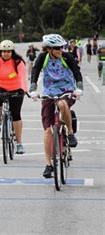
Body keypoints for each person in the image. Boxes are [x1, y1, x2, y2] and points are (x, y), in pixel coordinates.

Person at [29, 34, 83, 179]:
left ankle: (70, 133)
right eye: (58, 48)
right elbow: (35, 72)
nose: (61, 50)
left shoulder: (67, 57)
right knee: (47, 130)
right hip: (49, 92)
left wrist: (79, 88)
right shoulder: (43, 57)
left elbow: (77, 72)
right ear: (49, 49)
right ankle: (48, 165)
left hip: (67, 90)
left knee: (62, 104)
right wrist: (33, 89)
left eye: (62, 47)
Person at [0, 40, 28, 154]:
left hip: (16, 88)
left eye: (8, 51)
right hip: (1, 86)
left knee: (16, 115)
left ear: (12, 52)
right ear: (0, 52)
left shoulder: (18, 62)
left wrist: (24, 89)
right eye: (3, 51)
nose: (6, 53)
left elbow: (23, 76)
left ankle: (19, 143)